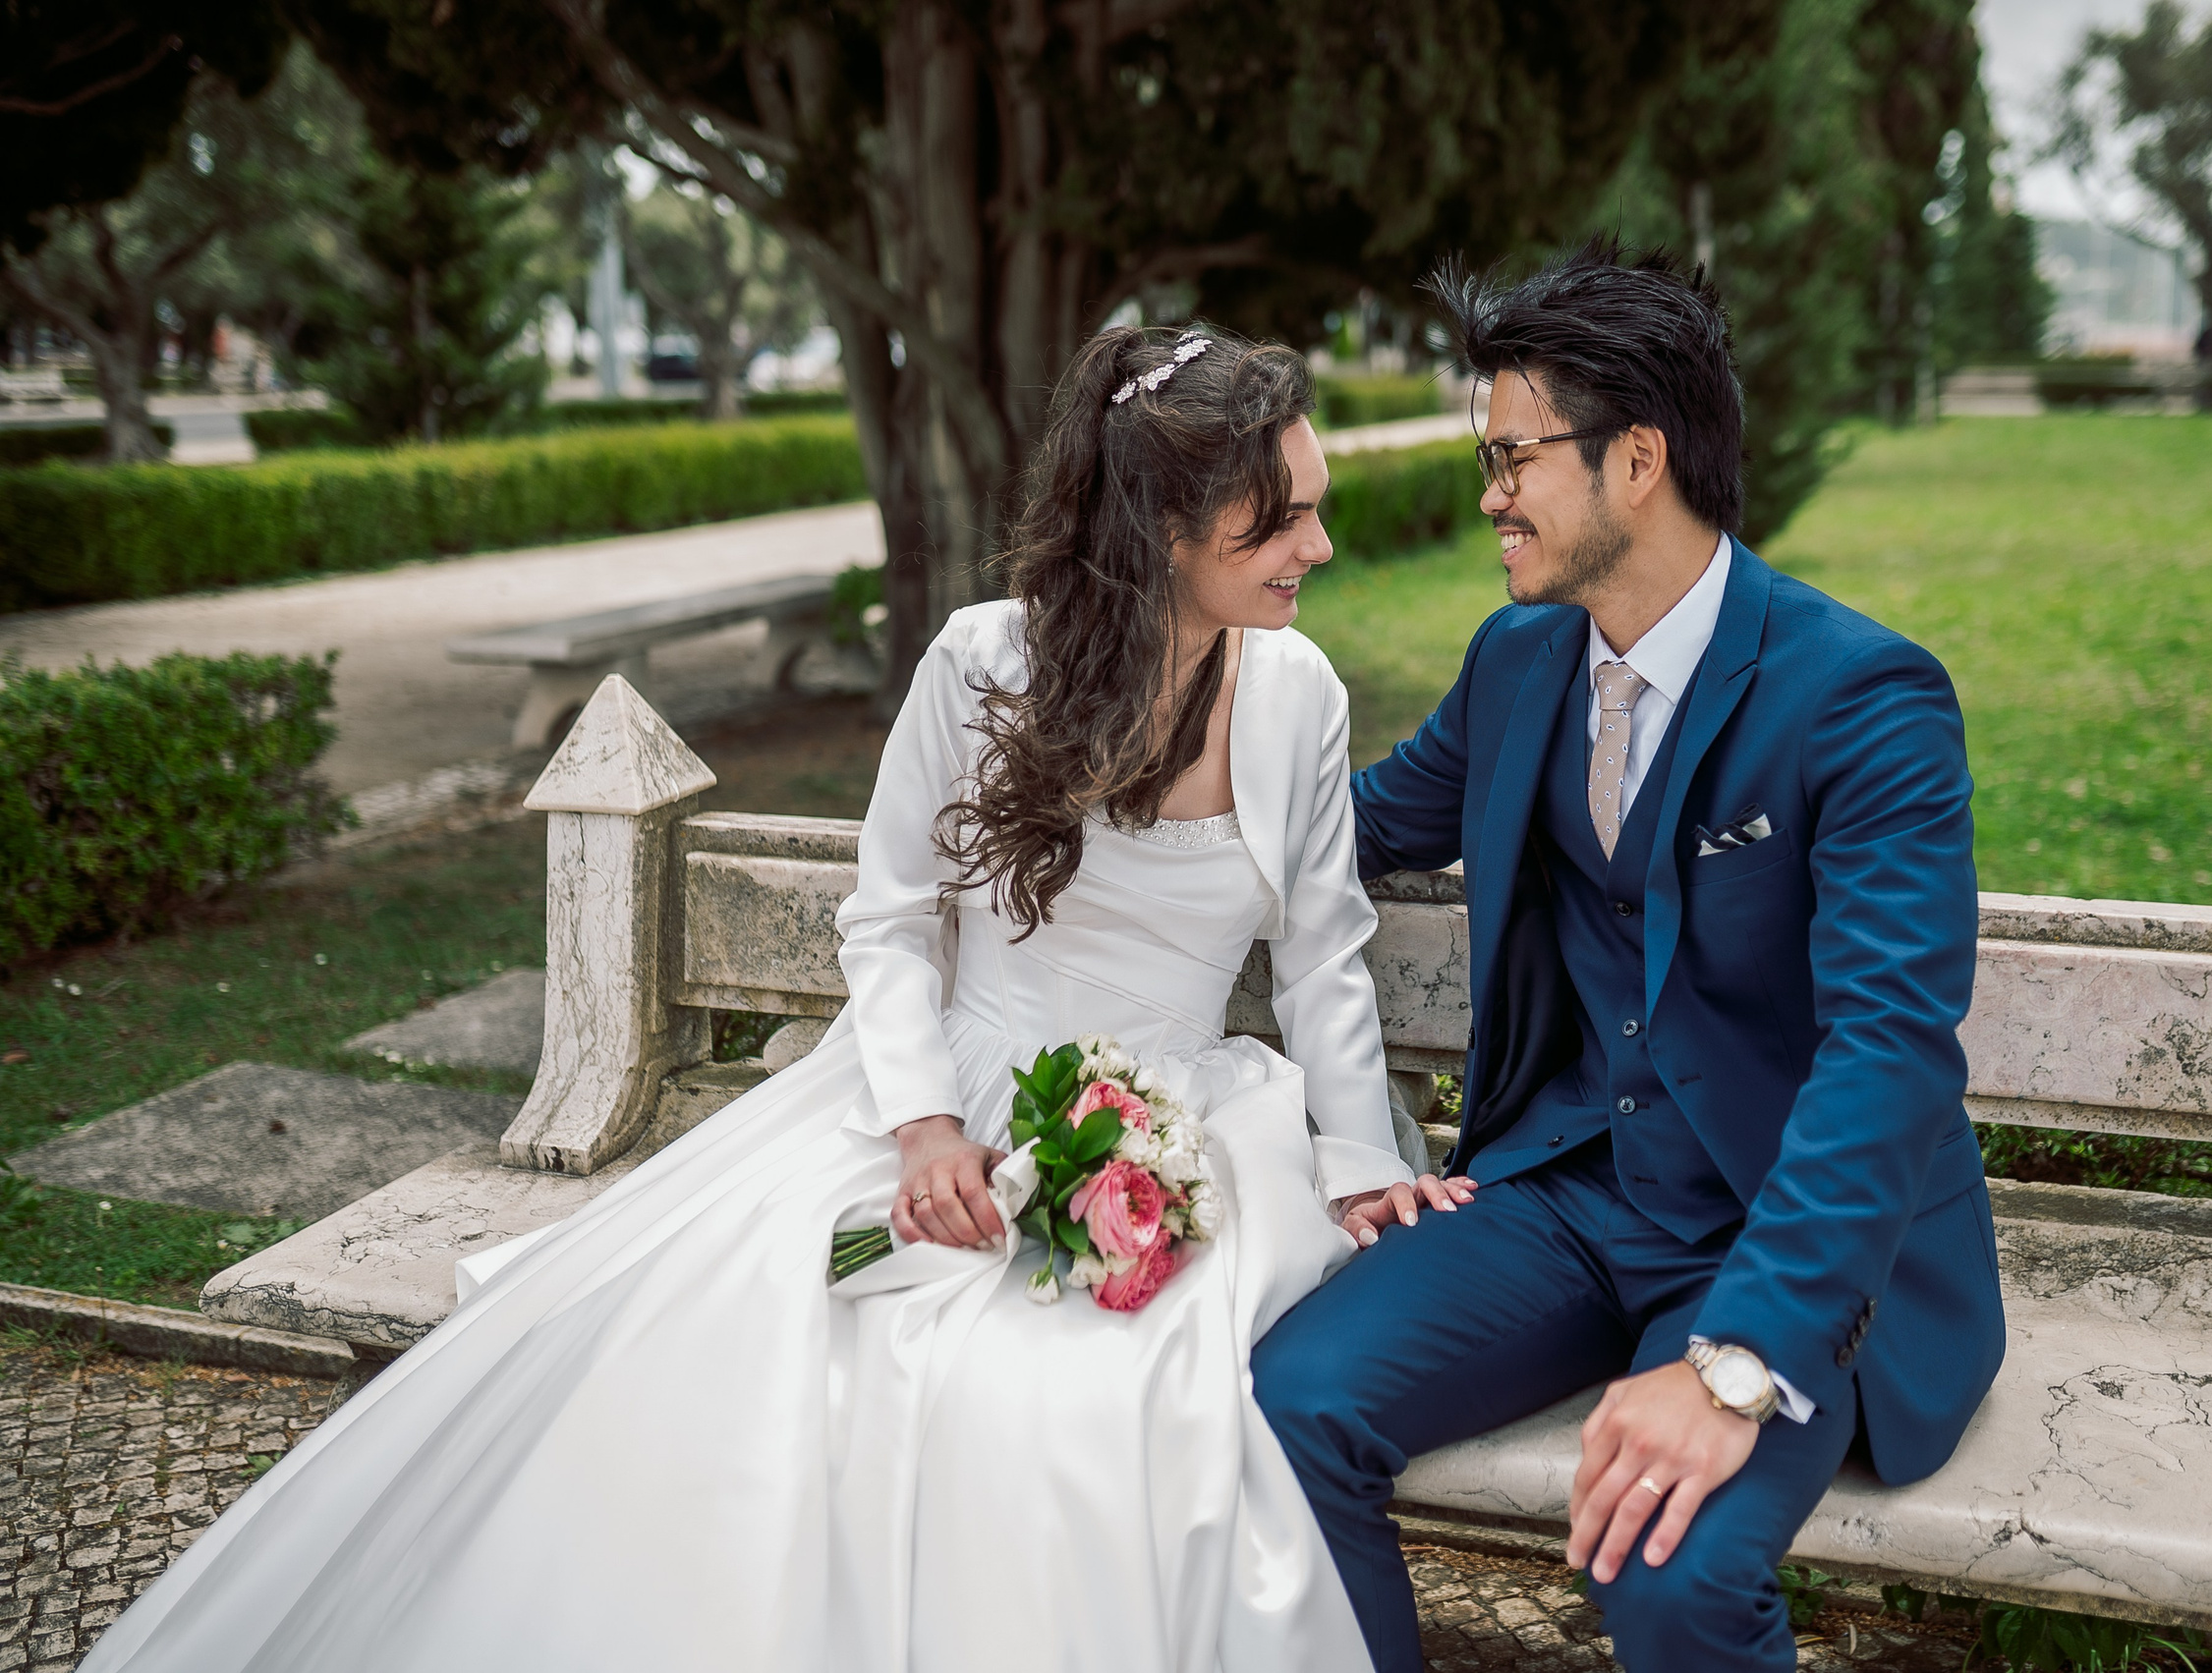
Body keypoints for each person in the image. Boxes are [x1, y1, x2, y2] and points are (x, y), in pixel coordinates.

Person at [80, 326, 1465, 1673]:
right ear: (1167, 525)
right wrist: (924, 1129)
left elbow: (1326, 956)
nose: (1319, 550)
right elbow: (889, 915)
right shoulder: (984, 662)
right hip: (921, 1112)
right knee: (798, 1307)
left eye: (1315, 512)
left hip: (1168, 1135)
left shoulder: (1297, 695)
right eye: (1279, 522)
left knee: (1094, 1397)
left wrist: (1353, 1163)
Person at [1252, 241, 2006, 1672]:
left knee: (1661, 1570)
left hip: (1774, 1234)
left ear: (1638, 459)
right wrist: (1139, 738)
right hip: (1562, 1196)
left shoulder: (1862, 698)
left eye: (1514, 457)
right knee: (1290, 1402)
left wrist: (1732, 1366)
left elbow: (1890, 1052)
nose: (1490, 495)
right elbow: (1341, 835)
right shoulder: (1517, 662)